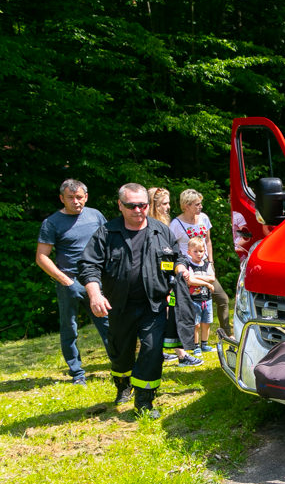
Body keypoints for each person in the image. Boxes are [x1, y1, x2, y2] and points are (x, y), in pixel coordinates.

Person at [79, 183, 189, 418]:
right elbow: (89, 266)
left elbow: (178, 256)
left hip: (154, 305)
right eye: (132, 206)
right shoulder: (106, 234)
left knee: (152, 350)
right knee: (121, 353)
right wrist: (95, 294)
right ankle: (122, 385)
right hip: (119, 306)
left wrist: (181, 269)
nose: (138, 210)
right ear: (120, 205)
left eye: (143, 205)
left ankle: (144, 401)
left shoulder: (161, 231)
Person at [36, 179, 110, 385]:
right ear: (62, 198)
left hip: (96, 280)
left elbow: (108, 243)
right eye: (71, 198)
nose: (76, 202)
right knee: (70, 328)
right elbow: (41, 257)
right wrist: (66, 281)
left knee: (108, 324)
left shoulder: (95, 215)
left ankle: (120, 366)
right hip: (69, 281)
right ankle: (77, 373)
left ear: (86, 197)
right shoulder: (51, 223)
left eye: (79, 197)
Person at [147, 187, 203, 368]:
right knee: (160, 314)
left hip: (168, 276)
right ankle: (178, 354)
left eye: (168, 202)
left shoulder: (165, 224)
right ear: (153, 206)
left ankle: (176, 353)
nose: (168, 207)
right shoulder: (146, 226)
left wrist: (180, 268)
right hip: (153, 280)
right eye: (164, 204)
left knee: (170, 312)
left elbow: (173, 251)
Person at [169, 189, 231, 337]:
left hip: (204, 266)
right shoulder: (176, 224)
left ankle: (226, 333)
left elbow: (208, 241)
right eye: (197, 204)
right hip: (189, 269)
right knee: (191, 305)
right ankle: (190, 339)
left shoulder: (203, 218)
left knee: (222, 298)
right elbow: (171, 248)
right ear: (187, 205)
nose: (200, 207)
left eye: (200, 204)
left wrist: (211, 262)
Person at [186, 236, 217, 354]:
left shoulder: (207, 265)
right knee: (196, 324)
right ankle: (195, 346)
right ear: (189, 252)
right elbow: (190, 281)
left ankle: (205, 344)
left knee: (206, 322)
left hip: (207, 299)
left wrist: (196, 277)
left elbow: (212, 277)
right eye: (195, 251)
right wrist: (207, 284)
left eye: (201, 251)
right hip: (194, 300)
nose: (199, 254)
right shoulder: (188, 265)